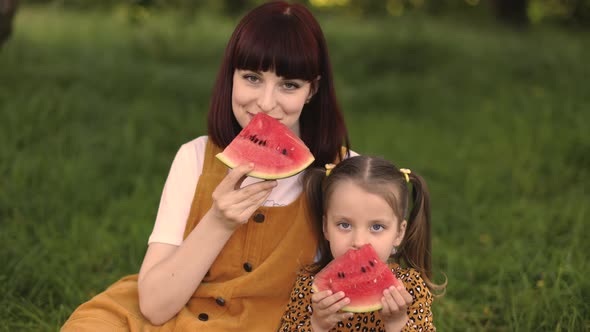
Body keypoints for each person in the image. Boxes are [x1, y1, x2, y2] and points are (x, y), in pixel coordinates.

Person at [61, 1, 353, 331]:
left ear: (312, 90)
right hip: (176, 314)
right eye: (252, 78)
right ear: (231, 77)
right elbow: (155, 305)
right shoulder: (196, 157)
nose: (266, 103)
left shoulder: (344, 174)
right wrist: (219, 221)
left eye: (289, 85)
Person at [279, 156, 447, 332]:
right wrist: (317, 325)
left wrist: (398, 323)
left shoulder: (409, 288)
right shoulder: (309, 286)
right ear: (325, 227)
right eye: (344, 225)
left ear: (399, 233)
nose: (359, 242)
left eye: (376, 227)